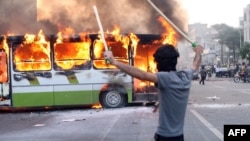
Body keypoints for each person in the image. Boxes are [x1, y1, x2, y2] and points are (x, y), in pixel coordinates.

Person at [104, 44, 203, 141]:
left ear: (159, 63)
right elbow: (195, 64)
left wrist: (114, 61)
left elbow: (141, 74)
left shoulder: (165, 77)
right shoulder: (185, 75)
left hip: (165, 136)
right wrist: (198, 52)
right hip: (179, 136)